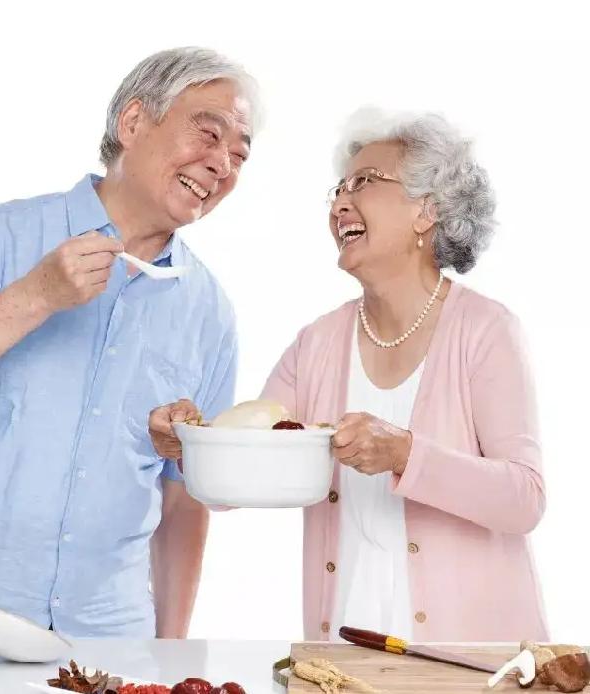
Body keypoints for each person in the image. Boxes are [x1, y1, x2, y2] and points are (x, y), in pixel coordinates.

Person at [0, 47, 257, 637]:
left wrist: (170, 651)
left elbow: (185, 500)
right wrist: (36, 295)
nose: (222, 164)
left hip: (107, 638)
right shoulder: (0, 236)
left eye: (239, 154)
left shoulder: (210, 310)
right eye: (208, 134)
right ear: (133, 123)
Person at [150, 108, 548, 642]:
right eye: (338, 189)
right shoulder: (317, 343)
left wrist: (406, 454)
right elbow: (242, 477)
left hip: (468, 666)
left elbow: (524, 500)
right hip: (342, 660)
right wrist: (189, 444)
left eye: (364, 183)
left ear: (427, 210)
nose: (339, 204)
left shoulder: (486, 330)